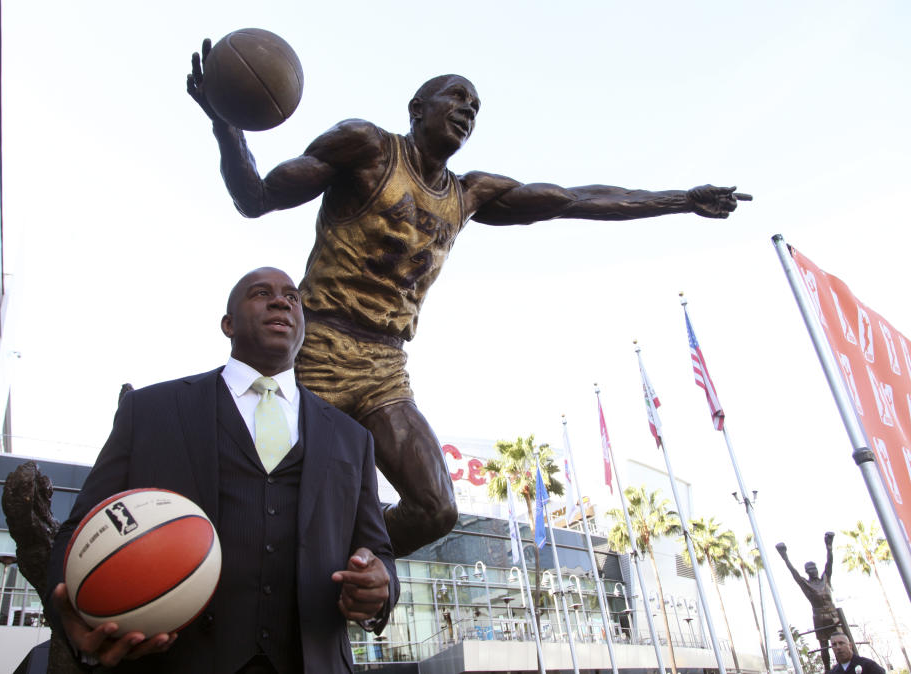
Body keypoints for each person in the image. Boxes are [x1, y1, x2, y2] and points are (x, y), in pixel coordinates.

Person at [188, 48, 750, 556]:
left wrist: (683, 200)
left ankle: (344, 565)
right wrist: (226, 125)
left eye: (476, 107)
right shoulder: (366, 147)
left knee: (435, 508)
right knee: (267, 497)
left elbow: (575, 200)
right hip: (320, 349)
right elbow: (256, 198)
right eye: (456, 96)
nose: (467, 110)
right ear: (417, 107)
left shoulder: (470, 193)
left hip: (385, 366)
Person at [46, 267, 398, 673]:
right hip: (171, 662)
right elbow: (78, 532)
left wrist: (379, 591)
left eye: (292, 297)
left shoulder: (353, 437)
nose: (281, 300)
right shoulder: (149, 411)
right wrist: (72, 621)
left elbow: (380, 553)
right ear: (228, 324)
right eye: (261, 293)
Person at [777, 532, 837, 672]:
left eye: (815, 568)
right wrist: (785, 557)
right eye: (810, 570)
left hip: (834, 614)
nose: (814, 571)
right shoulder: (807, 585)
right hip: (819, 616)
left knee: (840, 640)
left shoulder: (825, 579)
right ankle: (827, 669)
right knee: (824, 646)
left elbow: (829, 564)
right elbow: (795, 574)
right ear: (807, 572)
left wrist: (829, 547)